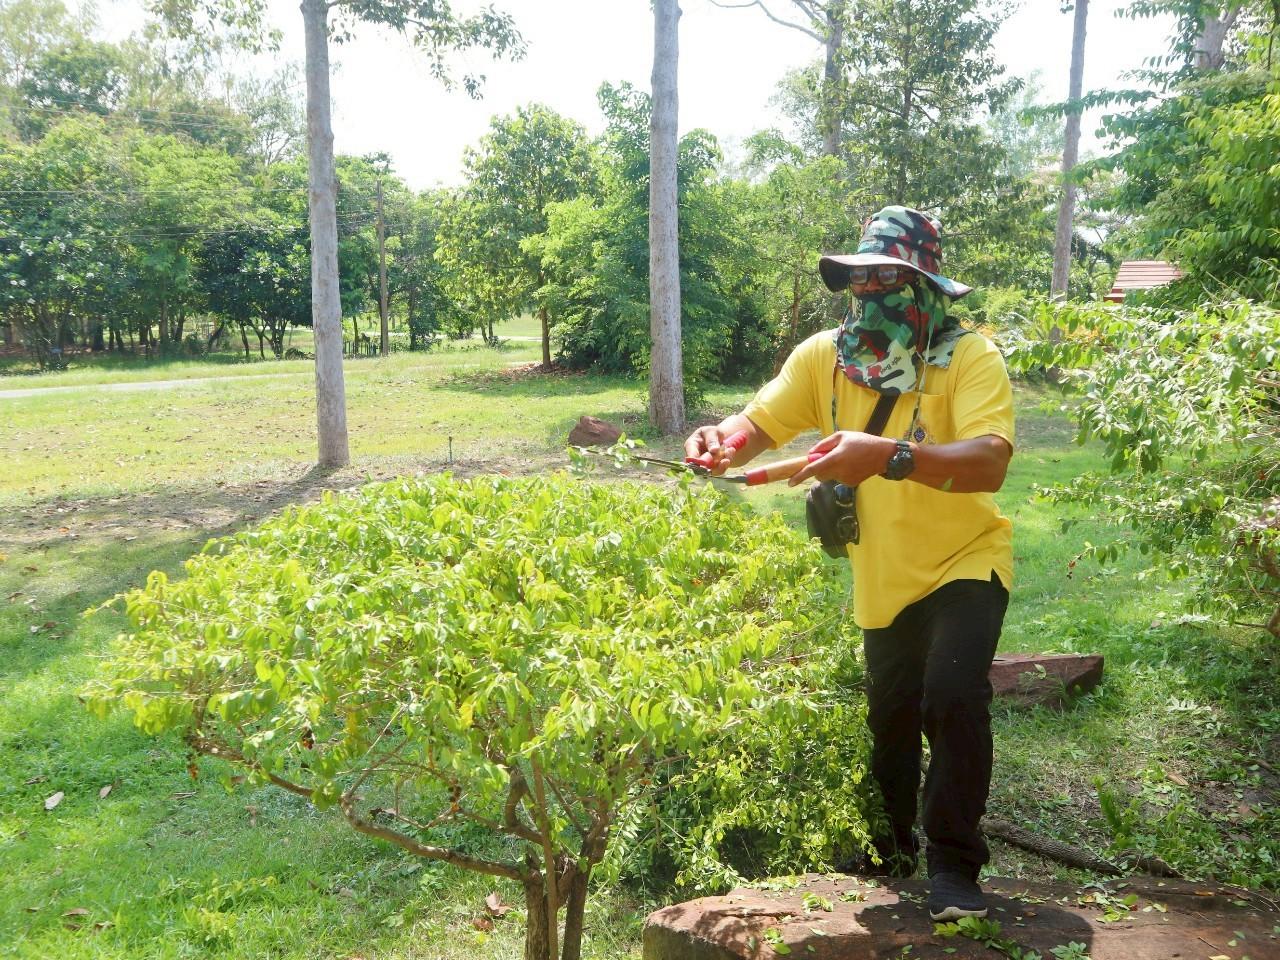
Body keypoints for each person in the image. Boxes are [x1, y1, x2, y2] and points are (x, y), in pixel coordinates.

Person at [684, 206, 1015, 922]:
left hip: (967, 558)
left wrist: (892, 456)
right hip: (883, 570)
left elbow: (990, 461)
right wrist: (718, 440)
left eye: (891, 278)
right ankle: (890, 851)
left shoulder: (968, 357)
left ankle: (955, 868)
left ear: (926, 285)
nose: (872, 292)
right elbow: (755, 426)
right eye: (860, 278)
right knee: (890, 717)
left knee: (951, 697)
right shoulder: (825, 358)